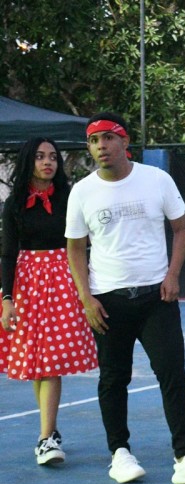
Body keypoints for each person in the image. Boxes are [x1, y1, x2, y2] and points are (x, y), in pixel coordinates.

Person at [65, 112, 185, 484]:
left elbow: (182, 228)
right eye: (94, 140)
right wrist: (86, 298)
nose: (101, 146)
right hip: (107, 300)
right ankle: (120, 454)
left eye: (108, 137)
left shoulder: (156, 179)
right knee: (113, 378)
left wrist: (173, 275)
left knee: (172, 374)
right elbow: (75, 248)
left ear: (125, 141)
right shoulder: (82, 191)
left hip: (157, 297)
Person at [0, 137, 97, 466]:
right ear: (29, 161)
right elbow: (8, 254)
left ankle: (45, 438)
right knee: (37, 364)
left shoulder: (70, 198)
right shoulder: (14, 204)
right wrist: (7, 299)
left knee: (51, 362)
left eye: (53, 157)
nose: (48, 162)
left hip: (62, 280)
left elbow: (83, 243)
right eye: (41, 157)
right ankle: (50, 432)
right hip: (27, 284)